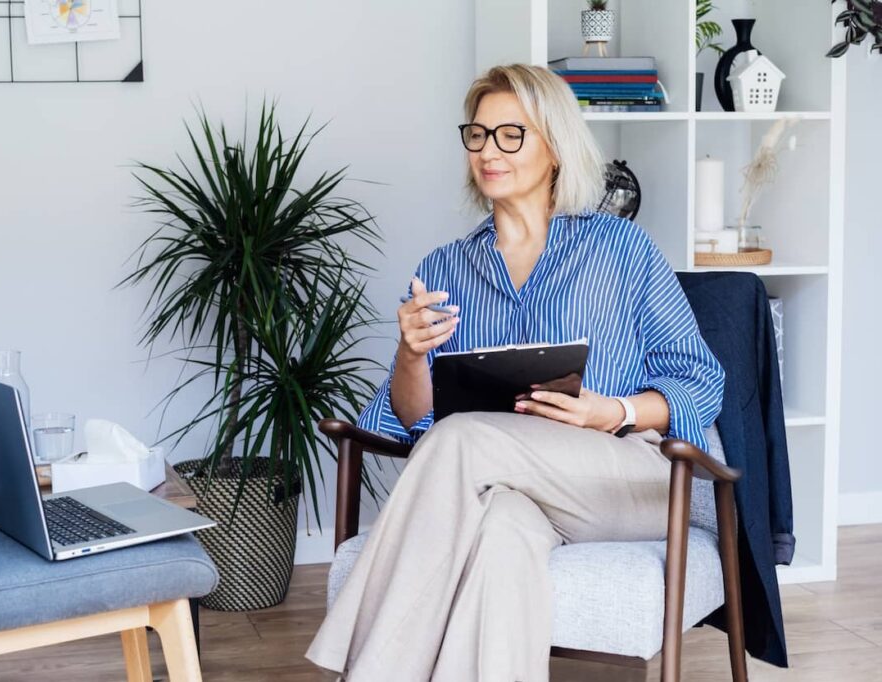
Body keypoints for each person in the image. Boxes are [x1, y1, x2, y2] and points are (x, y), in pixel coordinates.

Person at [305, 64, 725, 682]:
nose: (489, 151)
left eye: (511, 135)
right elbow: (412, 417)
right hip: (506, 488)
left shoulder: (619, 249)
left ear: (554, 147)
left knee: (463, 438)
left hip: (625, 480)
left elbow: (701, 382)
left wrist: (616, 411)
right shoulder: (444, 269)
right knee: (501, 532)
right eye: (478, 135)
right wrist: (411, 354)